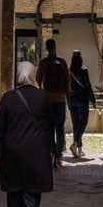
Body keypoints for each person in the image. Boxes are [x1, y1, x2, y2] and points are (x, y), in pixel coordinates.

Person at [0, 60, 53, 207]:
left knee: (13, 196)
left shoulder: (8, 98)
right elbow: (50, 126)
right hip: (35, 155)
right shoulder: (43, 97)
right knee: (31, 196)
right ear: (33, 76)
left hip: (12, 156)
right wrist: (52, 149)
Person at [35, 38, 70, 166]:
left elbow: (38, 79)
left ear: (47, 47)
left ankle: (51, 150)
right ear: (55, 47)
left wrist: (42, 91)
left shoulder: (43, 63)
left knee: (49, 127)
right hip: (60, 99)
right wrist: (66, 92)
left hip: (48, 99)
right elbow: (67, 78)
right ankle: (59, 154)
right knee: (60, 127)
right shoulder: (62, 62)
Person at [67, 50, 96, 157]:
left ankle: (79, 150)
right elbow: (88, 85)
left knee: (76, 125)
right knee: (83, 122)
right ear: (80, 58)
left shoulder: (69, 70)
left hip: (71, 99)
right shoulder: (83, 70)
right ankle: (75, 143)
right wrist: (93, 100)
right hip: (82, 99)